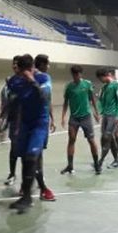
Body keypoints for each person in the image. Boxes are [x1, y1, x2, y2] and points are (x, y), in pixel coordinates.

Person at [7, 54, 52, 213]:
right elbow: (14, 103)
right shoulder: (15, 81)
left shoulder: (44, 78)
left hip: (39, 123)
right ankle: (25, 195)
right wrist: (10, 122)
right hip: (24, 123)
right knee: (24, 158)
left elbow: (44, 96)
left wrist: (32, 81)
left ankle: (31, 194)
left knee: (32, 156)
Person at [60, 65, 101, 174]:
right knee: (71, 140)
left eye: (78, 74)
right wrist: (63, 116)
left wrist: (96, 113)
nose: (76, 76)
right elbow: (65, 103)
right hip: (74, 118)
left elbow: (92, 99)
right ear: (72, 75)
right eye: (74, 74)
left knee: (91, 140)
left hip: (86, 117)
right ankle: (70, 165)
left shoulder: (87, 84)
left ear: (81, 74)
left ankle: (97, 164)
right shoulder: (69, 87)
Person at [32, 54, 55, 201]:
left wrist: (52, 118)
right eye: (48, 63)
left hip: (43, 121)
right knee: (35, 156)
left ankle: (30, 185)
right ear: (41, 64)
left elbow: (48, 99)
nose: (49, 66)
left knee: (35, 156)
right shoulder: (42, 78)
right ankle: (42, 188)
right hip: (35, 122)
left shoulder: (43, 78)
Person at [0, 56, 21, 185]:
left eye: (17, 64)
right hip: (13, 120)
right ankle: (12, 174)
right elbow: (9, 101)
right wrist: (1, 116)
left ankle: (34, 175)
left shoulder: (26, 81)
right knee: (14, 148)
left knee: (28, 151)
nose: (14, 66)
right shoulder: (11, 82)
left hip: (25, 121)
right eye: (13, 64)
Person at [96, 68, 118, 173]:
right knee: (106, 138)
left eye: (101, 78)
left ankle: (100, 162)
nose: (101, 81)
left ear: (106, 75)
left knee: (107, 137)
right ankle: (116, 159)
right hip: (106, 116)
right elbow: (101, 100)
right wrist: (100, 112)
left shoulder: (116, 85)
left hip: (113, 116)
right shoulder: (104, 87)